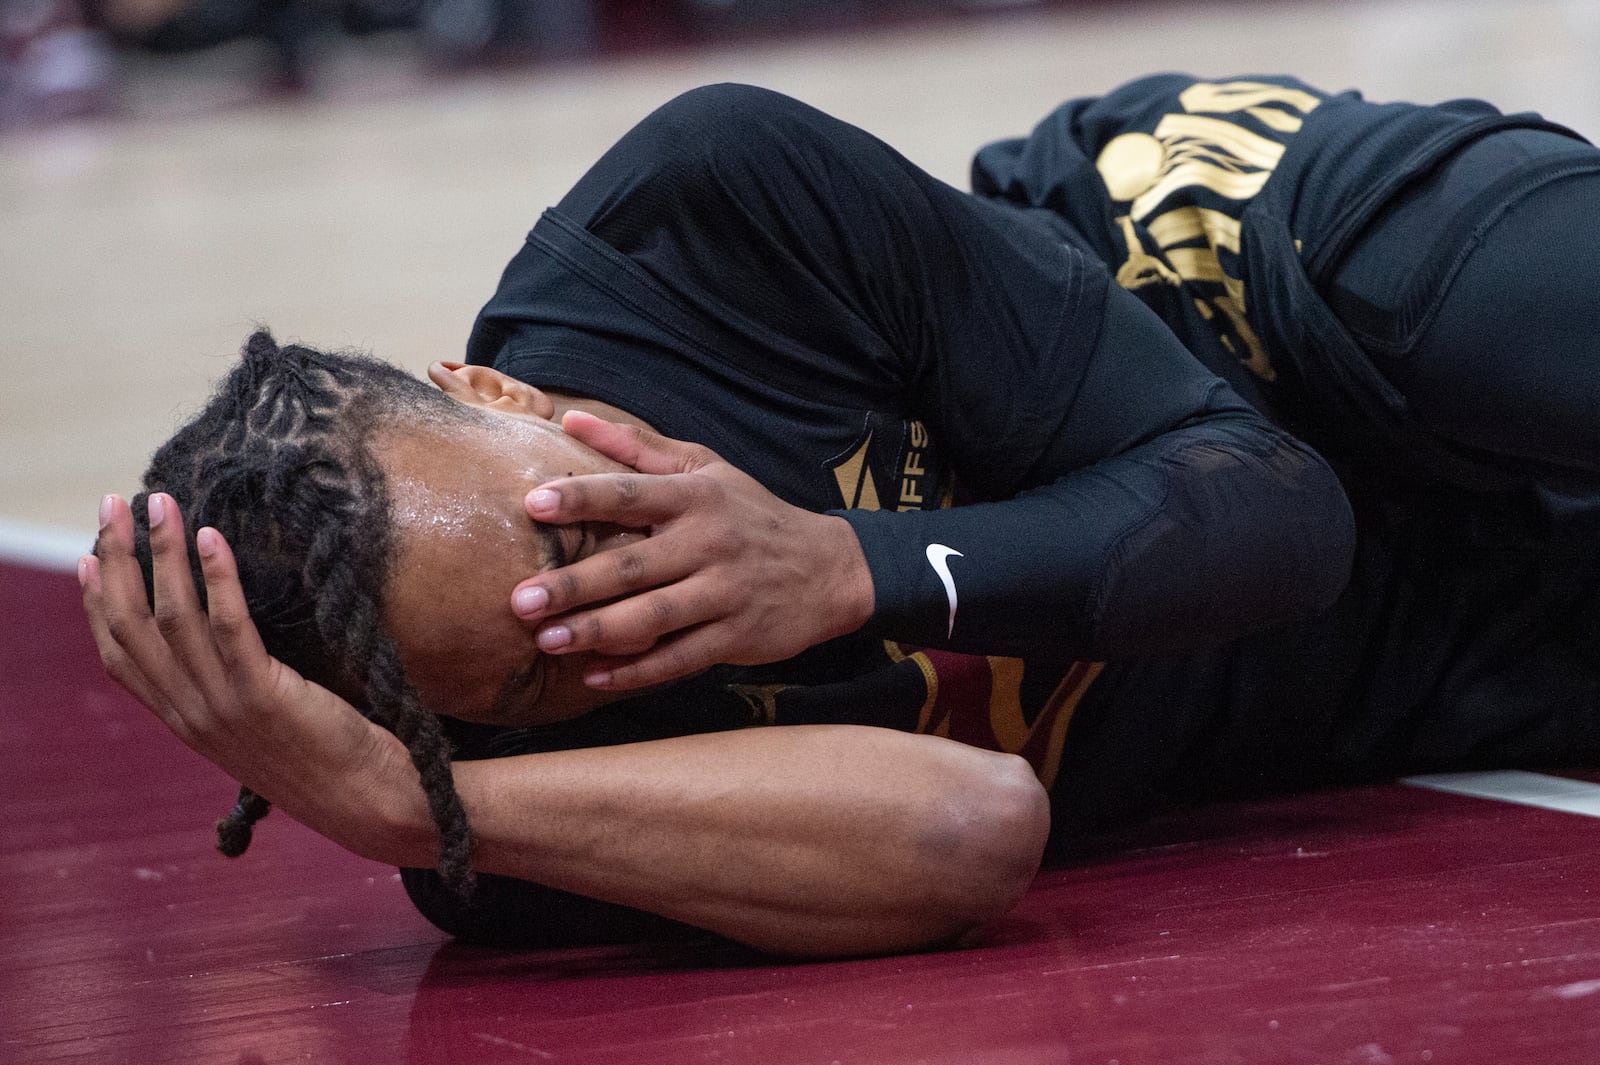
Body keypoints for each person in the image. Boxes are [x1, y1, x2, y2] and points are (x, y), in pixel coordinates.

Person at [81, 76, 1600, 958]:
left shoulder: (709, 219)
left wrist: (841, 562)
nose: (604, 619)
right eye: (542, 672)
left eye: (567, 539)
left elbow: (1279, 505)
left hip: (1250, 299)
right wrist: (418, 818)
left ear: (497, 392)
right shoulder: (500, 811)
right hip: (1375, 670)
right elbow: (971, 828)